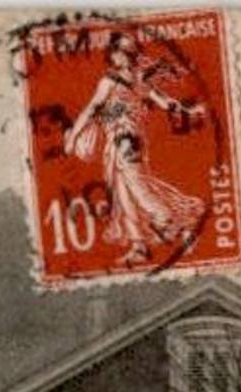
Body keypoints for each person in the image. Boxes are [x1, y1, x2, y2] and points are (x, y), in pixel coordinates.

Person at [62, 35, 207, 268]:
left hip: (124, 141)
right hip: (127, 141)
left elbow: (92, 110)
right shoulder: (140, 81)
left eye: (123, 52)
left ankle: (167, 220)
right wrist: (187, 111)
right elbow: (166, 103)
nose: (119, 56)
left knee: (137, 186)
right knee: (122, 193)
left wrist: (73, 139)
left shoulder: (110, 81)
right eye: (119, 52)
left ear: (121, 54)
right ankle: (139, 245)